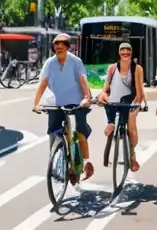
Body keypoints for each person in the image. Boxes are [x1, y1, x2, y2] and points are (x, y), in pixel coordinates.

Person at [33, 33, 94, 182]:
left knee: (80, 131)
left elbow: (83, 80)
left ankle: (85, 162)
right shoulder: (50, 63)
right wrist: (36, 103)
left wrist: (86, 97)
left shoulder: (75, 62)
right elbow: (43, 84)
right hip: (57, 102)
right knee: (53, 131)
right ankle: (54, 160)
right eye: (56, 44)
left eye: (62, 44)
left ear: (68, 47)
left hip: (77, 101)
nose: (58, 46)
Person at [96, 41, 146, 172]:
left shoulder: (138, 68)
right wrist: (103, 94)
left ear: (131, 52)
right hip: (114, 101)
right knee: (109, 107)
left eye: (128, 50)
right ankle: (111, 124)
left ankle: (132, 155)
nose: (125, 52)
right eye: (122, 50)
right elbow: (106, 86)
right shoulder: (112, 68)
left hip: (131, 102)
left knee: (131, 129)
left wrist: (137, 103)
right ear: (119, 53)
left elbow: (139, 88)